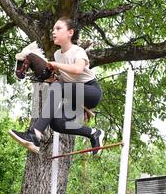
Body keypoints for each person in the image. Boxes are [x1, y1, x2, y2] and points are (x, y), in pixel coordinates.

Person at [9, 17, 104, 154]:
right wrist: (50, 78)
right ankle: (94, 133)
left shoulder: (78, 51)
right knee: (57, 123)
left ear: (70, 32)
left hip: (92, 92)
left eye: (58, 28)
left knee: (58, 88)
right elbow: (63, 81)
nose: (54, 32)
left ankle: (34, 134)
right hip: (75, 94)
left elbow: (78, 69)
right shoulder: (57, 54)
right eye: (53, 29)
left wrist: (55, 65)